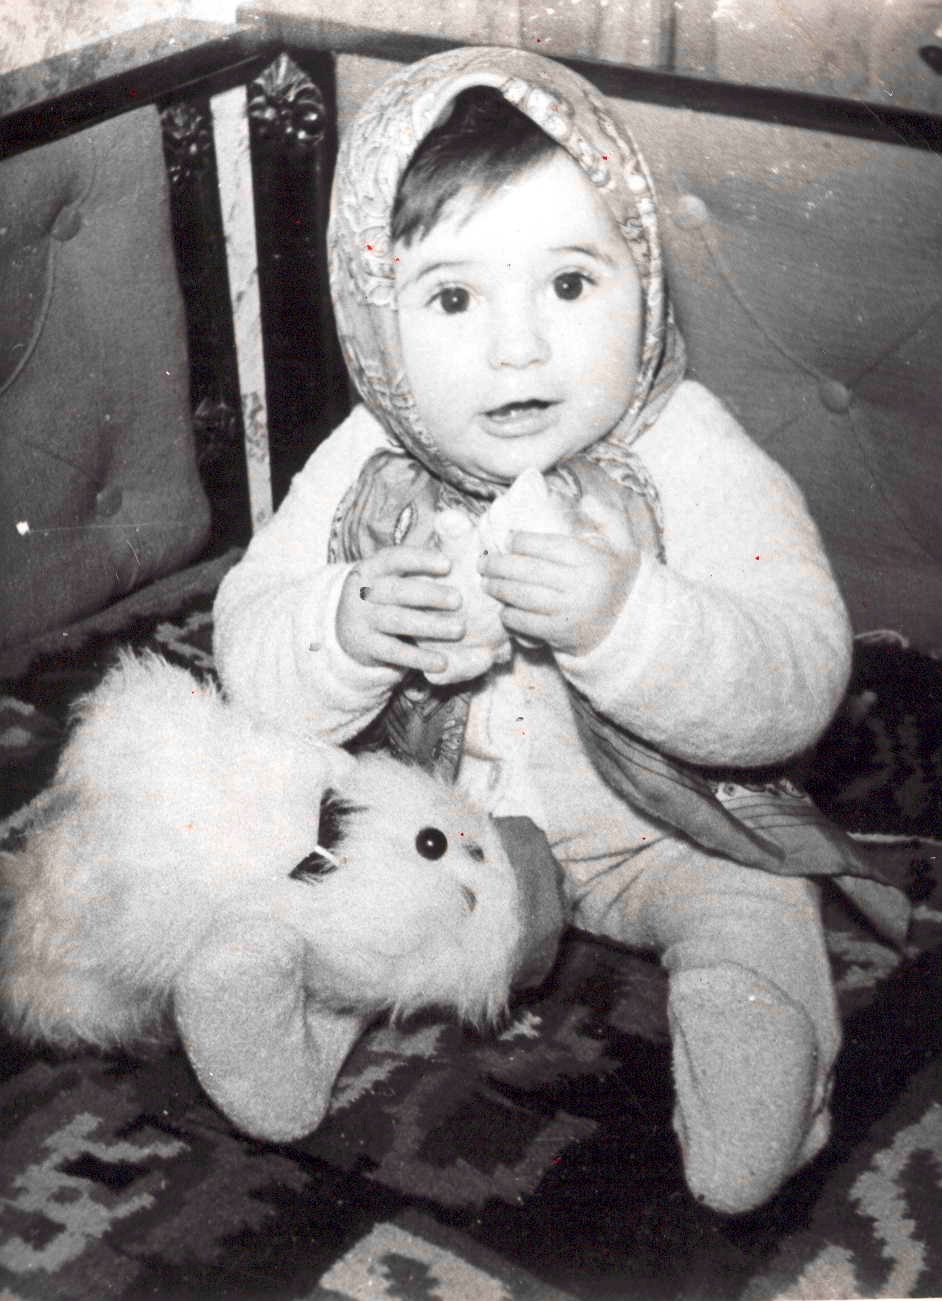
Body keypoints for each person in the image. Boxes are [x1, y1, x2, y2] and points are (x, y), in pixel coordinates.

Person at [214, 46, 863, 1215]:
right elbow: (247, 647)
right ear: (378, 322)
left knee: (754, 900)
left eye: (568, 284)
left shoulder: (686, 445)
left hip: (669, 823)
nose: (517, 347)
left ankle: (761, 1044)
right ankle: (279, 1008)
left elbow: (800, 671)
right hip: (447, 822)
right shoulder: (368, 454)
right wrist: (344, 628)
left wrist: (626, 620)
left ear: (643, 278)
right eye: (454, 298)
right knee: (338, 874)